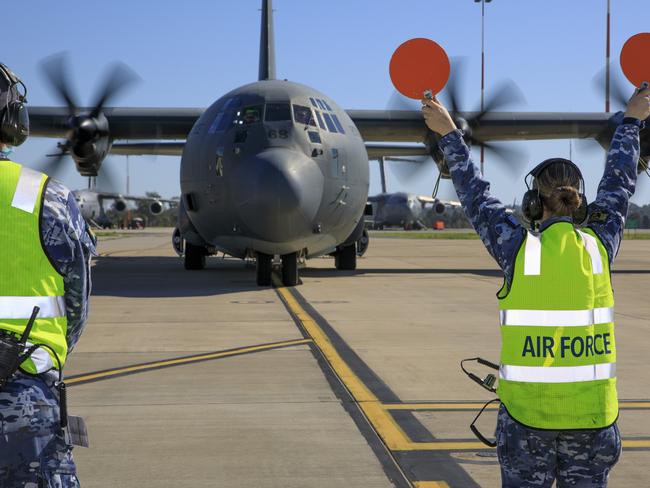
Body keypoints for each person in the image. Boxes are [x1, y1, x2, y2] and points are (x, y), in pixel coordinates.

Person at [422, 85, 650, 488]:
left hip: (527, 424)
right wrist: (632, 121)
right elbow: (619, 184)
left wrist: (449, 135)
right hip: (594, 422)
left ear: (532, 203)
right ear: (579, 204)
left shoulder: (516, 249)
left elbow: (476, 195)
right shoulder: (599, 247)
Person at [0, 62, 96, 486]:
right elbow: (76, 305)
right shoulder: (47, 197)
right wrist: (46, 356)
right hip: (24, 406)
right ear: (13, 120)